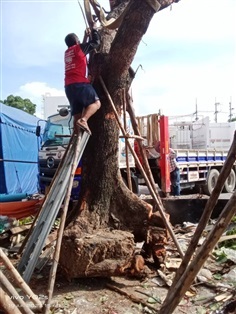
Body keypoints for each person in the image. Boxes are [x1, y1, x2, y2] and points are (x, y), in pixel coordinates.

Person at [64, 24, 101, 135]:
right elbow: (96, 42)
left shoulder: (67, 52)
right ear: (76, 41)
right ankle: (84, 120)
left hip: (69, 87)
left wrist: (85, 37)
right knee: (96, 103)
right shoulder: (78, 49)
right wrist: (94, 29)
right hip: (79, 83)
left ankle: (77, 134)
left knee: (77, 115)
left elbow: (81, 47)